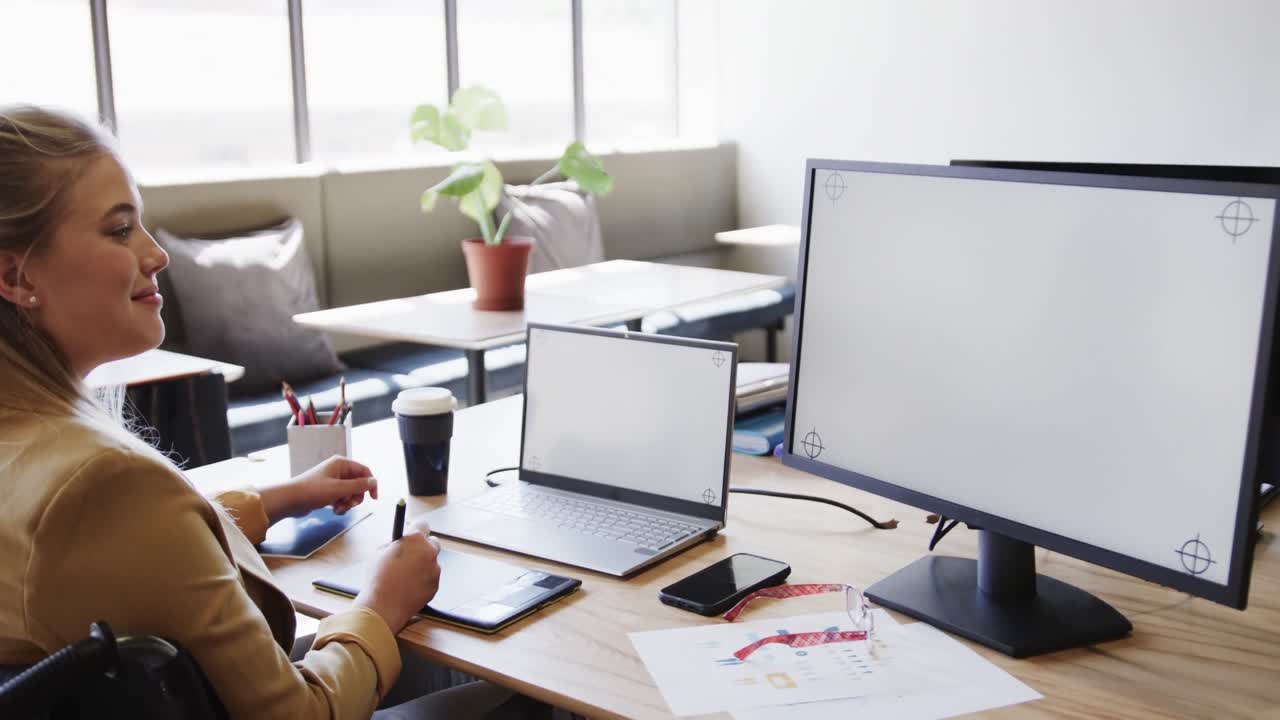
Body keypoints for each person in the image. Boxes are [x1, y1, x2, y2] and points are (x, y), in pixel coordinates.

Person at [0, 106, 536, 719]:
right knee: (526, 691)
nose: (156, 254)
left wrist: (276, 499)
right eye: (120, 230)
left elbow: (128, 555)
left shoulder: (38, 465)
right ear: (16, 276)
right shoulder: (104, 485)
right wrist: (382, 600)